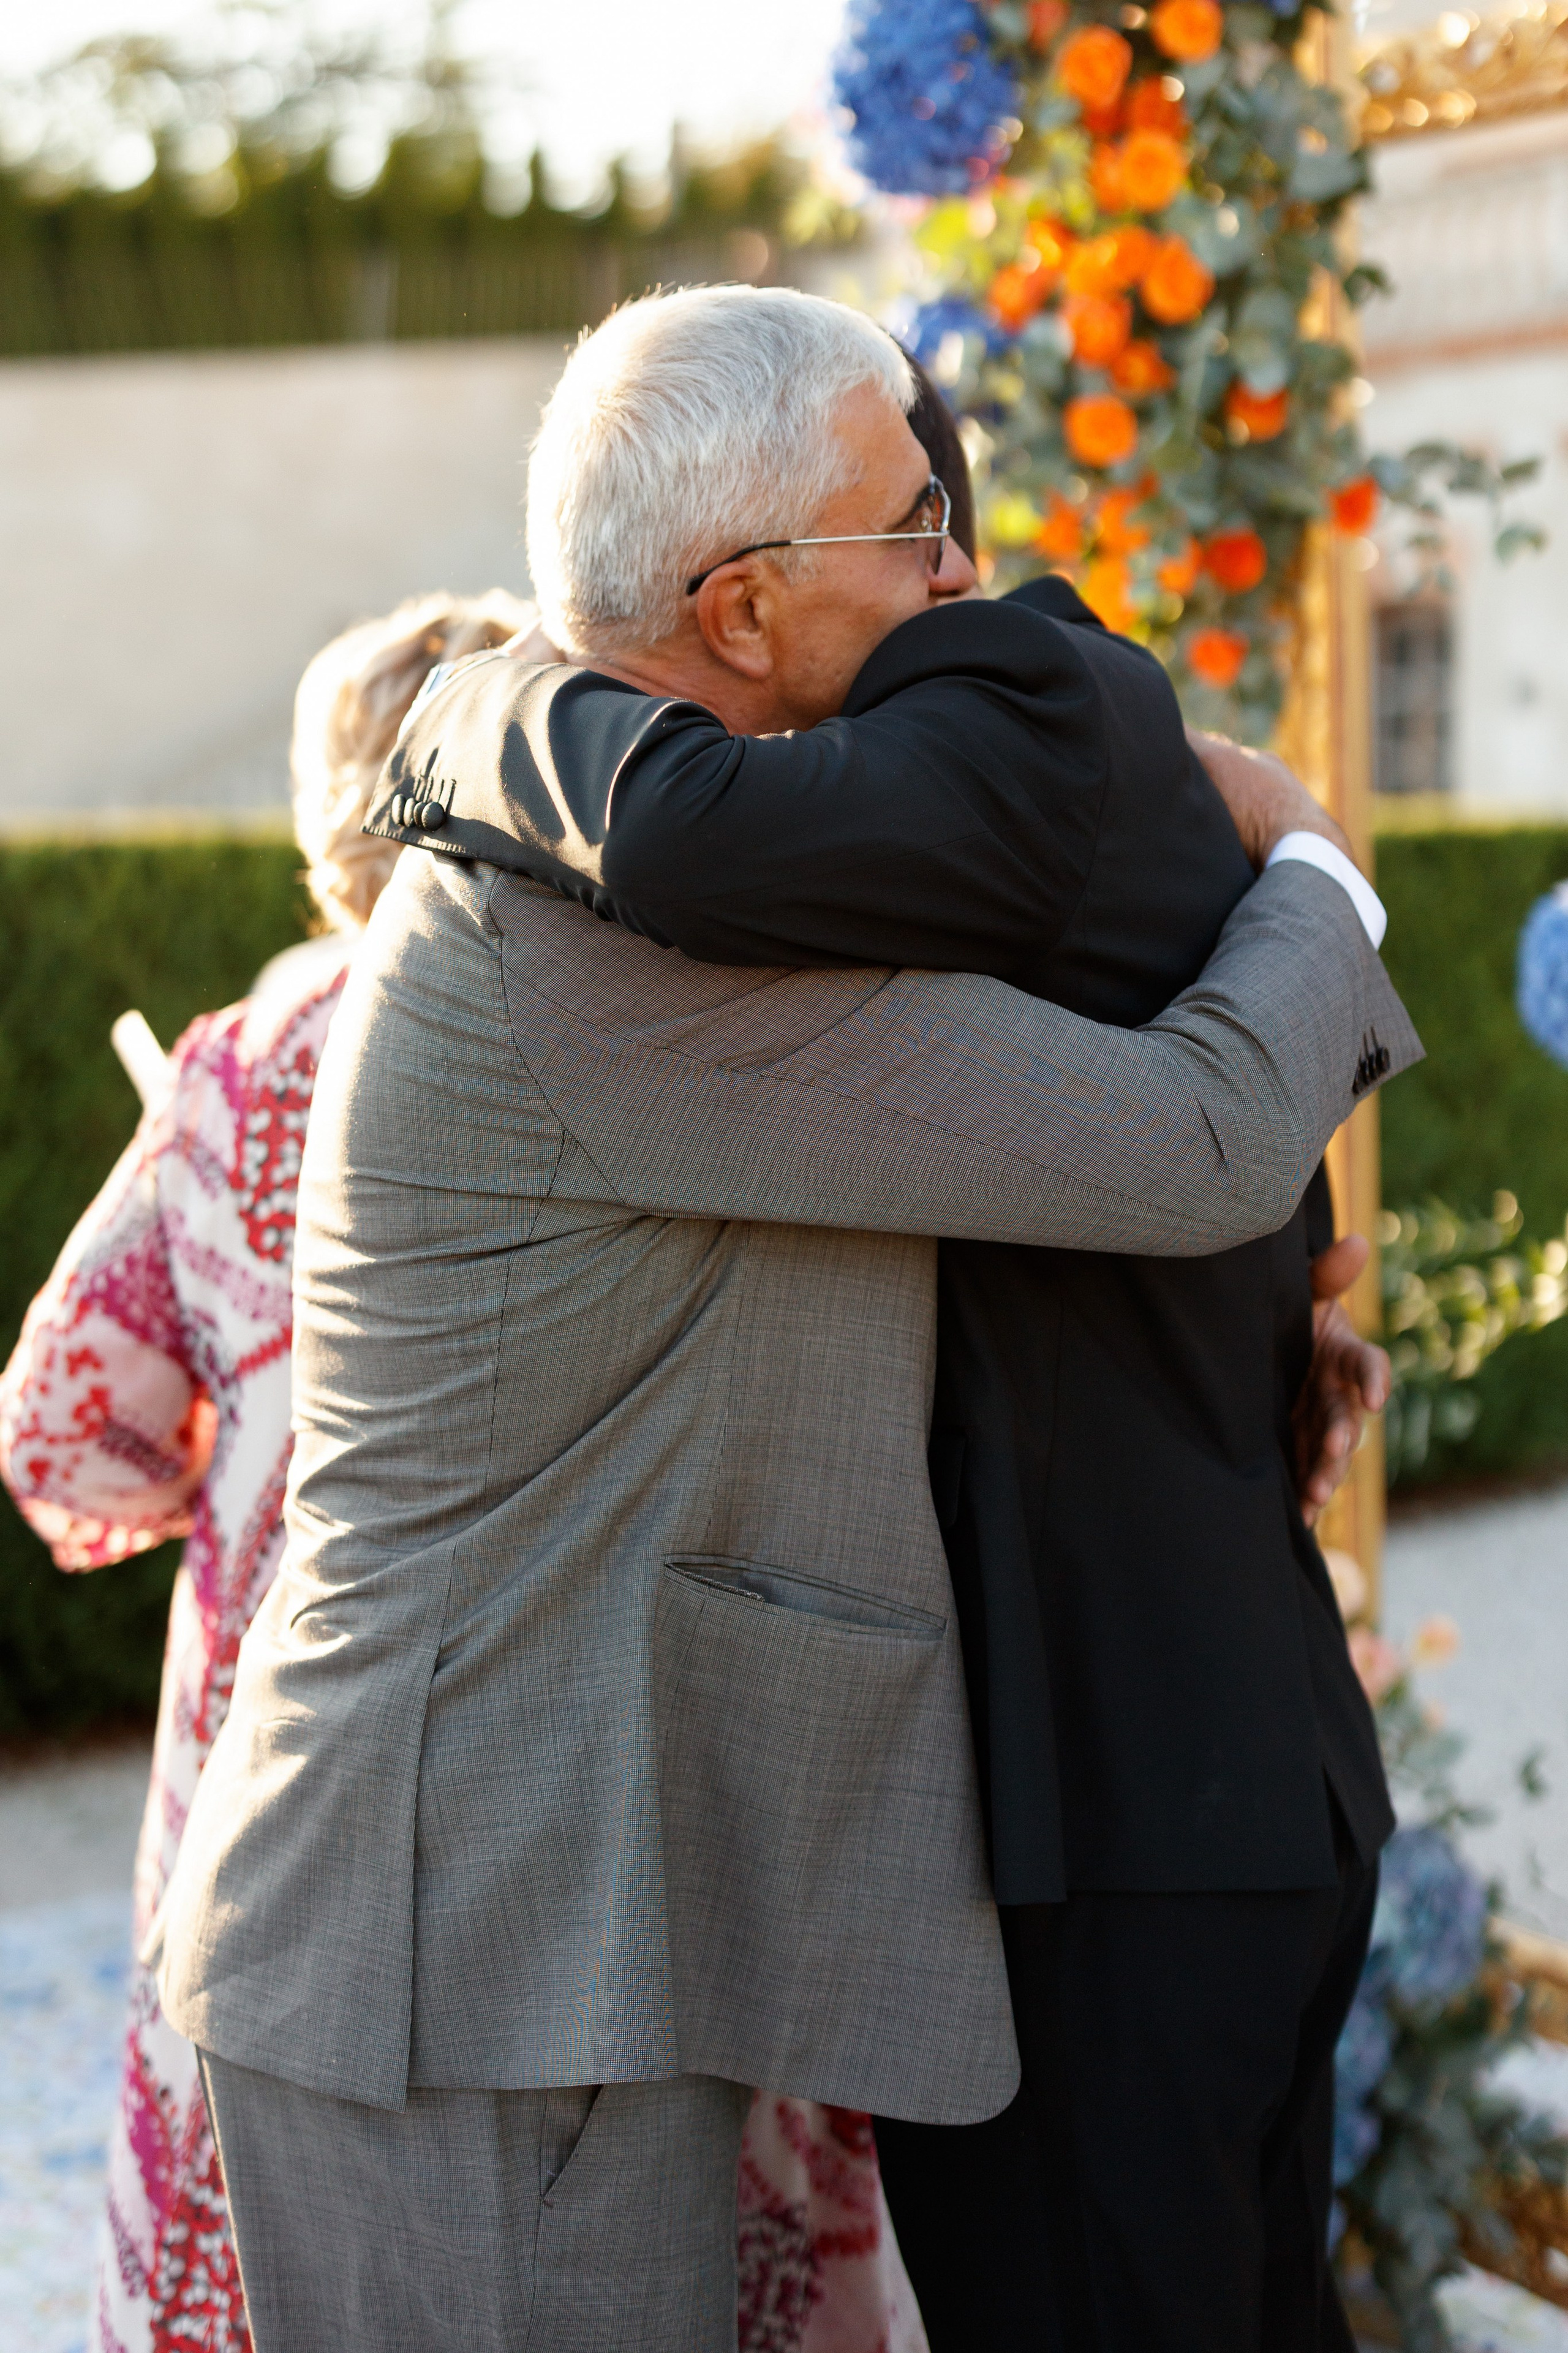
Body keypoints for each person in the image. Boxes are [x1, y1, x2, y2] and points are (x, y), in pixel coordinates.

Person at [153, 285, 1418, 2351]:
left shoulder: (662, 873)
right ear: (738, 609)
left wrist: (1255, 1324)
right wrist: (1312, 872)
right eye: (914, 523)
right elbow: (1190, 1137)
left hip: (541, 1923)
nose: (959, 575)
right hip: (472, 1948)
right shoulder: (618, 952)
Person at [0, 589, 530, 2353]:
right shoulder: (592, 1021)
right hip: (546, 1719)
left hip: (278, 1722)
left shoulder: (238, 1060)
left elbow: (58, 1421)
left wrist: (226, 1480)